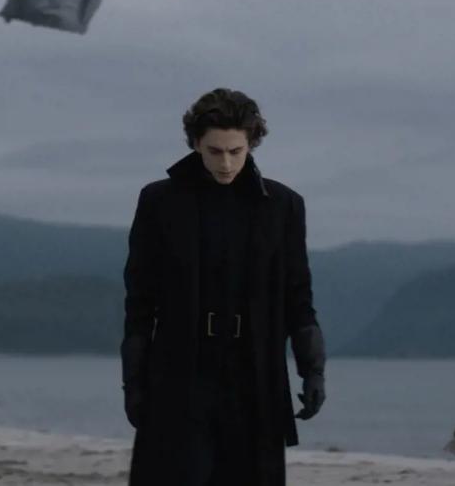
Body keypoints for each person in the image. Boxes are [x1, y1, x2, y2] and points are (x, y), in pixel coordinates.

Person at [121, 87, 326, 486]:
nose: (226, 162)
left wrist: (312, 371)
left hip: (254, 372)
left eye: (236, 150)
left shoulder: (282, 206)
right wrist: (134, 383)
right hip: (181, 372)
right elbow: (140, 303)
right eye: (215, 151)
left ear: (252, 143)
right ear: (196, 143)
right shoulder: (159, 201)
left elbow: (298, 297)